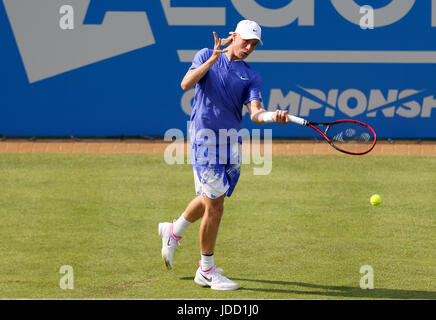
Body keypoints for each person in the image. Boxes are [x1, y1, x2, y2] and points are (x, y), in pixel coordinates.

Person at [158, 20, 289, 291]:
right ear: (234, 36)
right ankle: (205, 270)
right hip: (204, 140)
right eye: (246, 41)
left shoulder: (252, 76)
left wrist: (273, 116)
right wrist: (212, 60)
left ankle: (174, 230)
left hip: (230, 143)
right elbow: (185, 84)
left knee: (211, 198)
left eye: (254, 44)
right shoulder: (207, 54)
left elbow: (255, 114)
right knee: (216, 206)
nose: (249, 47)